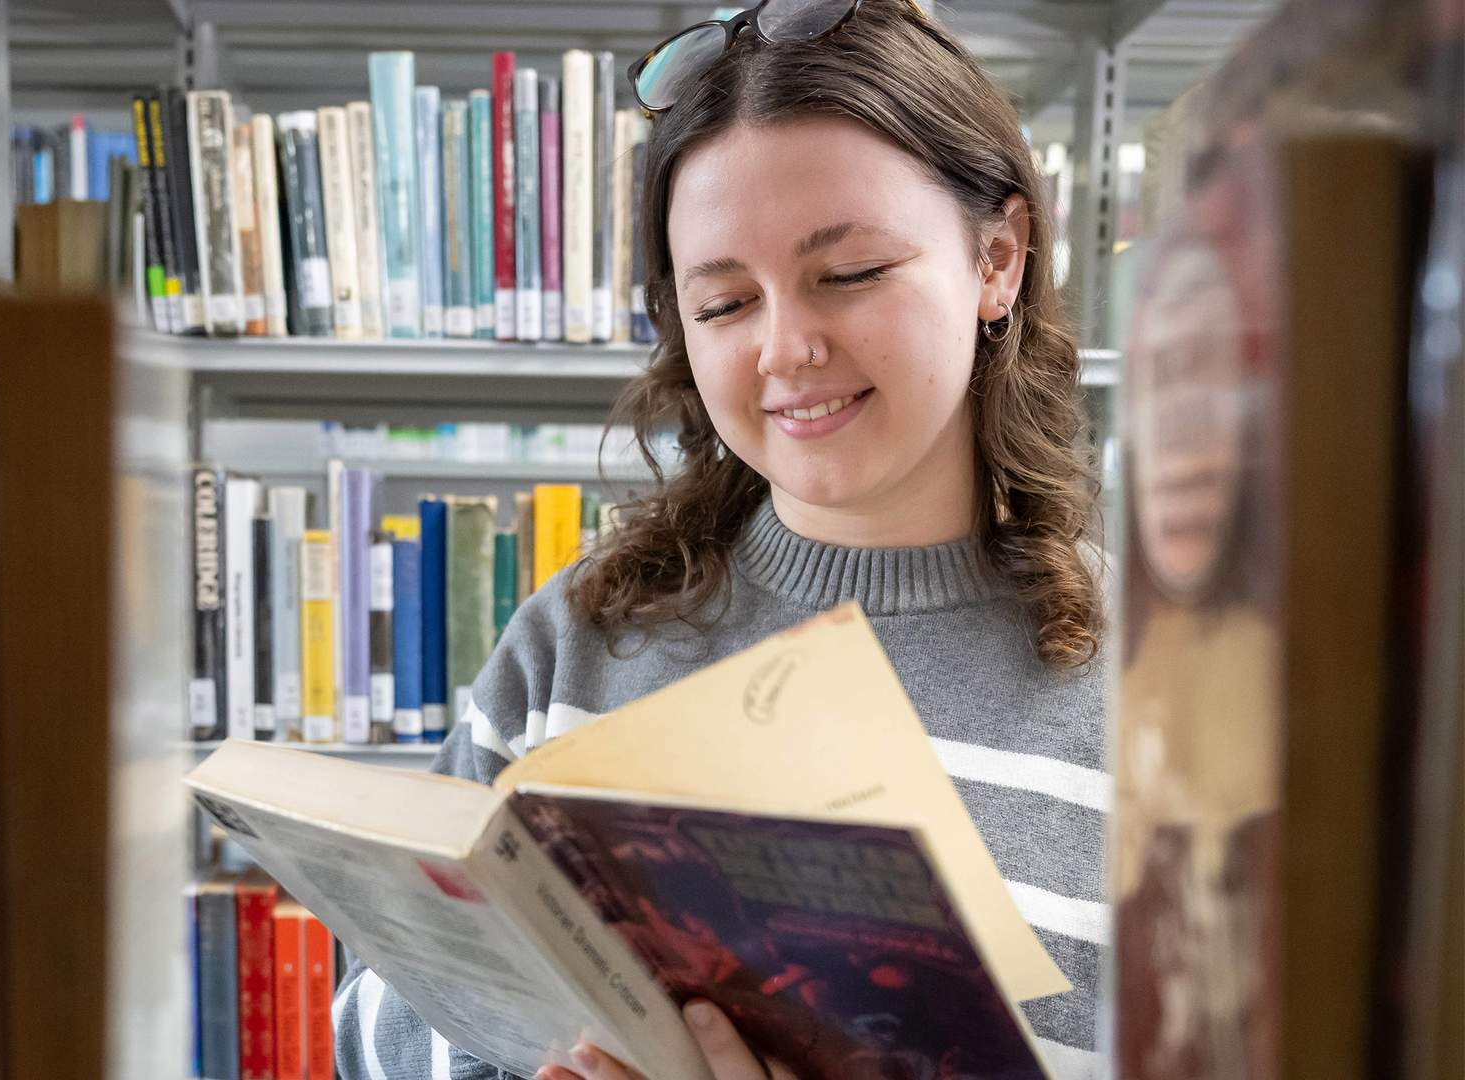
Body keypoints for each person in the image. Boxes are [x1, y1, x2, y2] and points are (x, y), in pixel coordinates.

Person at [333, 0, 1108, 1076]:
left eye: (849, 274)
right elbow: (367, 1016)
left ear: (999, 258)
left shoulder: (1170, 684)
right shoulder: (577, 642)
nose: (786, 351)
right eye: (724, 304)